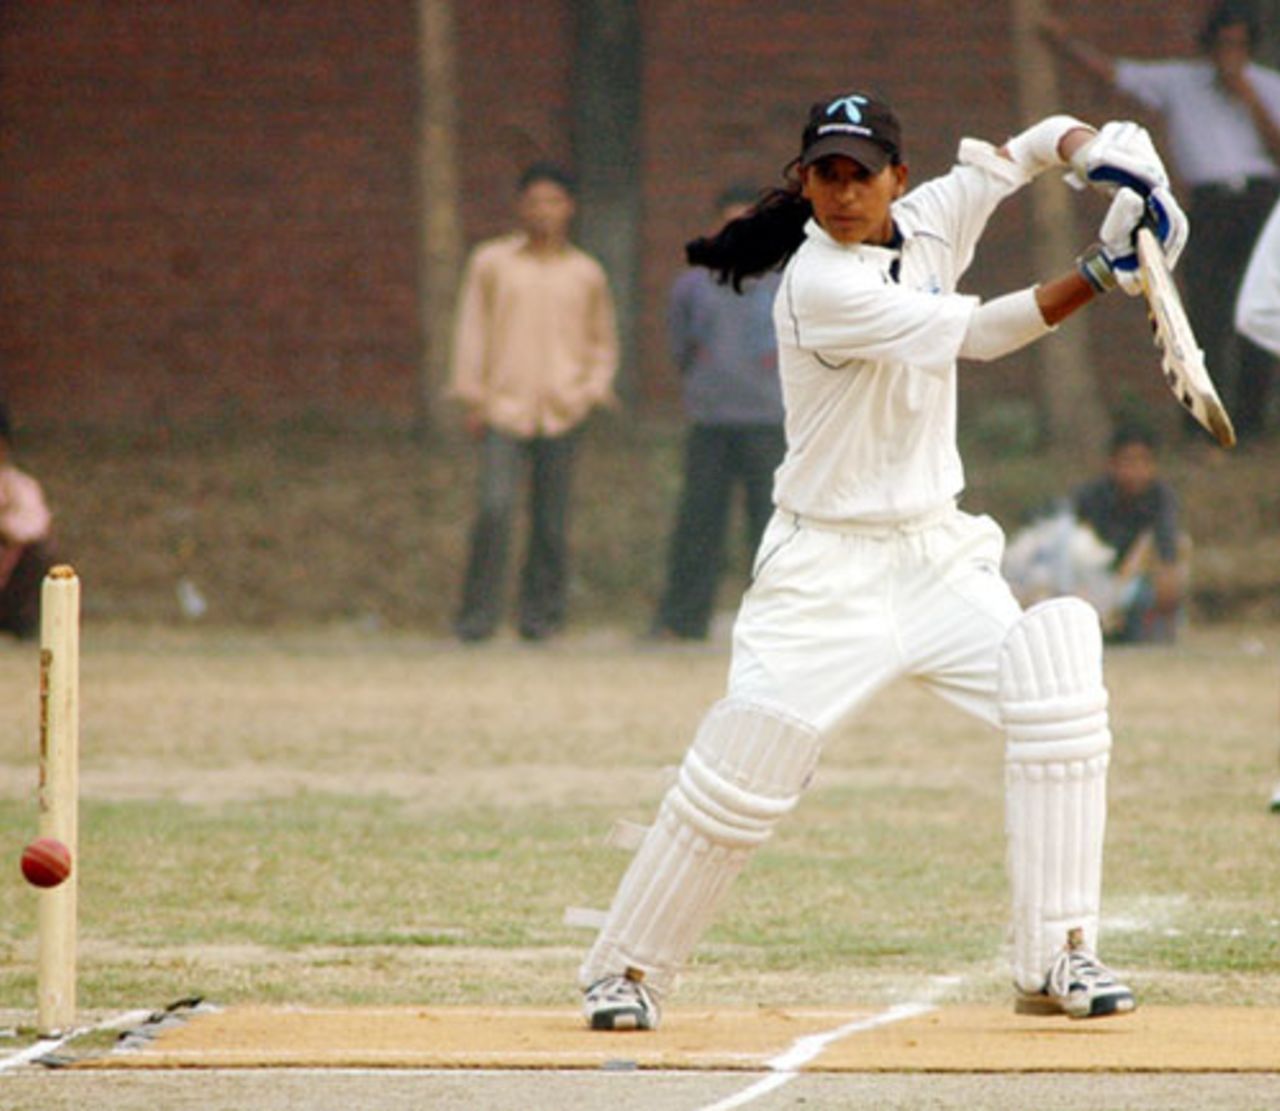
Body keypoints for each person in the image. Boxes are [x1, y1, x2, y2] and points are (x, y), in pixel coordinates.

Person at [577, 90, 1188, 1031]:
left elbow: (1022, 145)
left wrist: (1097, 153)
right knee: (750, 762)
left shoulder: (934, 216)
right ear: (806, 181)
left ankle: (1057, 956)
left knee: (1056, 672)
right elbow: (982, 335)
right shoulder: (819, 284)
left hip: (937, 555)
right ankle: (625, 967)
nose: (844, 190)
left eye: (862, 172)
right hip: (824, 567)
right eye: (827, 172)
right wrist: (1107, 268)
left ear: (898, 178)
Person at [1040, 2, 1280, 441]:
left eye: (1240, 46)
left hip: (1261, 202)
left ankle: (1251, 424)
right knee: (1204, 312)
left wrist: (1245, 90)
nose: (1231, 54)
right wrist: (1062, 42)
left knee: (1258, 308)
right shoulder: (1182, 83)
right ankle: (1202, 425)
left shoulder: (1267, 86)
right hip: (1209, 204)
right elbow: (1116, 73)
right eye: (1224, 45)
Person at [447, 163, 619, 643]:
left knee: (551, 521)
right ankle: (476, 619)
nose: (544, 211)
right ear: (521, 207)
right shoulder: (492, 263)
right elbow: (471, 330)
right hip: (503, 407)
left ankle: (541, 620)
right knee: (495, 509)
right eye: (535, 201)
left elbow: (601, 341)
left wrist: (588, 391)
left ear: (570, 208)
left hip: (562, 410)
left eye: (554, 201)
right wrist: (472, 395)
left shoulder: (585, 272)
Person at [650, 186, 786, 642]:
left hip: (770, 420)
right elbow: (680, 346)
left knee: (771, 527)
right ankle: (683, 619)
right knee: (699, 522)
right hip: (710, 421)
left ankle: (775, 624)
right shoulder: (693, 285)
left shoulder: (786, 281)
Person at [1073, 425, 1189, 644]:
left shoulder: (1161, 497)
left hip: (1139, 578)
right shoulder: (1091, 497)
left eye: (1143, 462)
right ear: (1112, 464)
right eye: (1128, 462)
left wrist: (1167, 573)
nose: (1136, 471)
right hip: (1096, 580)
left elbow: (1167, 541)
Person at [0, 406, 58, 640]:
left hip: (9, 579)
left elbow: (35, 525)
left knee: (42, 552)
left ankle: (19, 624)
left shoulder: (19, 486)